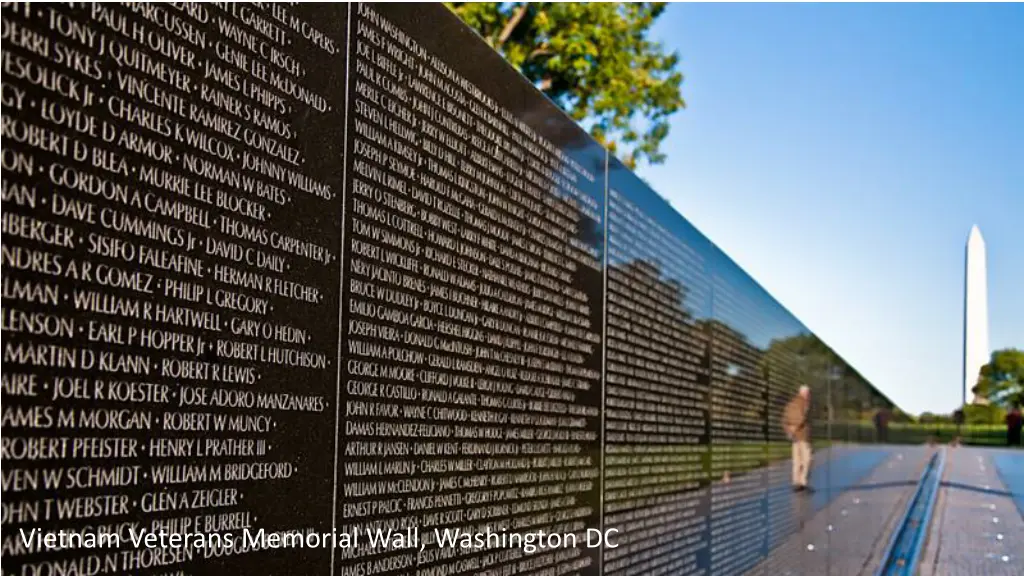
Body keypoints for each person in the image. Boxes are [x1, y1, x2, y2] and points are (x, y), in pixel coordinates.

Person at [783, 385, 813, 492]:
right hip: (803, 435)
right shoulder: (805, 404)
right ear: (805, 393)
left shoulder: (790, 404)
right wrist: (796, 428)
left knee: (797, 460)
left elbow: (785, 419)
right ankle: (803, 482)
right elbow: (802, 418)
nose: (809, 395)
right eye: (808, 393)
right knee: (807, 459)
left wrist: (789, 431)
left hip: (794, 437)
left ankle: (796, 482)